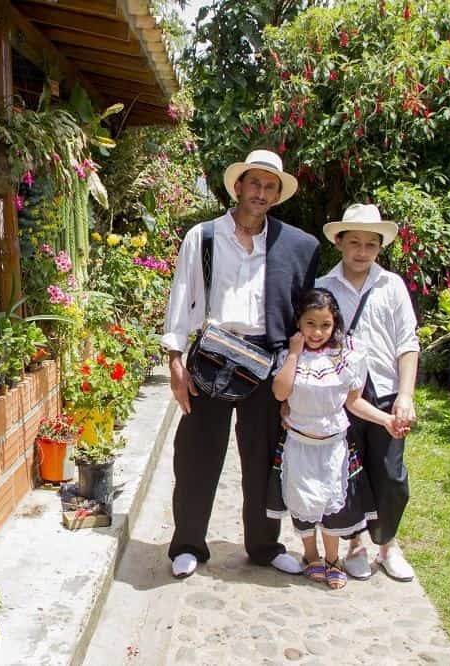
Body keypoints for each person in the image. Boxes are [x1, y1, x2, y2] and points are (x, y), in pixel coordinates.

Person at [162, 149, 320, 579]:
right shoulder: (205, 236)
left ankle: (265, 545)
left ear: (277, 194)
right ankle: (188, 543)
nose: (261, 193)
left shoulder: (298, 246)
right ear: (237, 187)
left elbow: (306, 314)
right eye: (254, 183)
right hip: (212, 357)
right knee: (196, 454)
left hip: (267, 362)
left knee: (264, 457)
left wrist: (298, 370)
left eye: (270, 187)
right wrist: (176, 360)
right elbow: (181, 296)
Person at [268, 288, 404, 590]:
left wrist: (386, 420)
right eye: (310, 324)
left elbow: (353, 402)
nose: (317, 332)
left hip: (332, 446)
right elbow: (280, 392)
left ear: (335, 324)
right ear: (299, 323)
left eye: (325, 325)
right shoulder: (291, 355)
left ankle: (333, 558)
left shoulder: (347, 355)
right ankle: (311, 555)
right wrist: (293, 353)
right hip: (298, 444)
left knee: (331, 504)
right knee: (301, 499)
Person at [316, 203, 419, 582]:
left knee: (391, 473)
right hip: (341, 396)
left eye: (370, 244)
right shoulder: (324, 288)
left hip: (386, 392)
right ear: (339, 242)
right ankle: (356, 543)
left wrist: (406, 396)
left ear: (379, 247)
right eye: (354, 242)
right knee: (348, 471)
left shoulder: (391, 285)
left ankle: (388, 545)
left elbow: (408, 343)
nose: (362, 251)